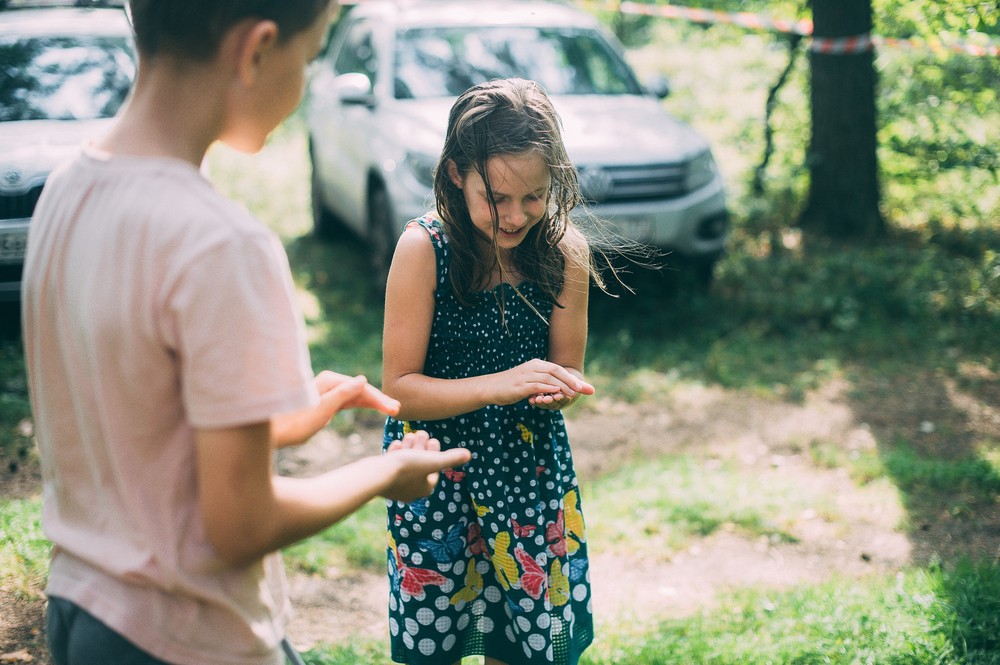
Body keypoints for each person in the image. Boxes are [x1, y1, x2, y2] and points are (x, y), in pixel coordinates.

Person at [20, 2, 470, 664]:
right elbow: (242, 523)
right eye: (311, 56)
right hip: (186, 637)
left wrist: (278, 421)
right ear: (256, 50)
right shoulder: (222, 243)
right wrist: (384, 471)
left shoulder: (65, 190)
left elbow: (133, 428)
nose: (307, 79)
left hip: (80, 613)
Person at [381, 78, 601, 665]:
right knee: (438, 643)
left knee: (528, 643)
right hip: (436, 473)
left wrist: (559, 390)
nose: (516, 215)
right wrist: (495, 387)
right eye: (497, 197)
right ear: (456, 173)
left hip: (527, 472)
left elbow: (567, 366)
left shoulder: (564, 253)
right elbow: (398, 392)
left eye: (533, 196)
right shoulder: (423, 248)